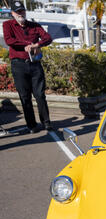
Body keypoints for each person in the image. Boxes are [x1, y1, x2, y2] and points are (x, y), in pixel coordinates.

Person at [2, 1, 53, 133]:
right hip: (18, 65)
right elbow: (9, 41)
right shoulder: (7, 25)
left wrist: (36, 45)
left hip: (35, 64)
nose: (21, 13)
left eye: (22, 11)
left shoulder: (34, 25)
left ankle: (46, 122)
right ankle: (31, 125)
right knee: (25, 97)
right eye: (18, 12)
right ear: (12, 13)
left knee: (40, 95)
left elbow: (48, 38)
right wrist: (28, 43)